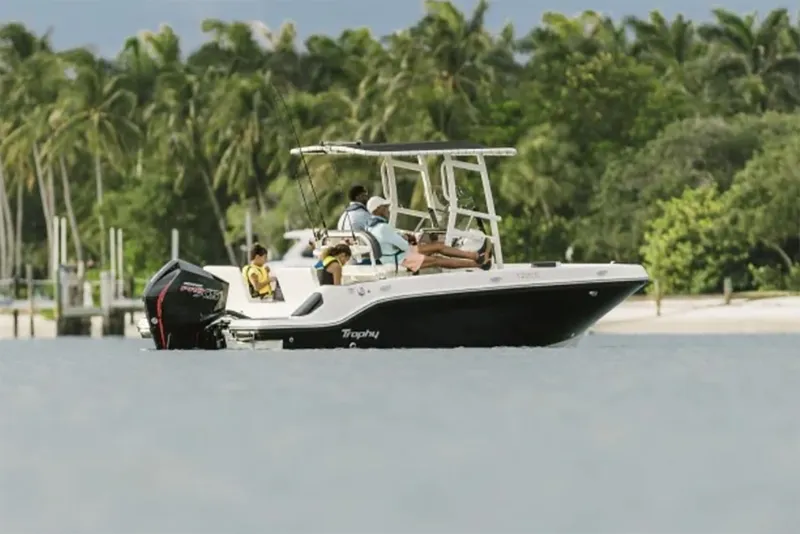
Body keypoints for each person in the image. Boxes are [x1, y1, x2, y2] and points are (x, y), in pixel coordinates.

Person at [365, 196, 492, 272]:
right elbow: (404, 246)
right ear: (377, 210)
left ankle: (475, 255)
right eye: (384, 207)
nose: (387, 209)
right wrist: (406, 238)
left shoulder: (371, 226)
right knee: (438, 260)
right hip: (402, 259)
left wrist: (403, 237)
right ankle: (478, 264)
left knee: (438, 246)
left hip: (399, 254)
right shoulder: (383, 228)